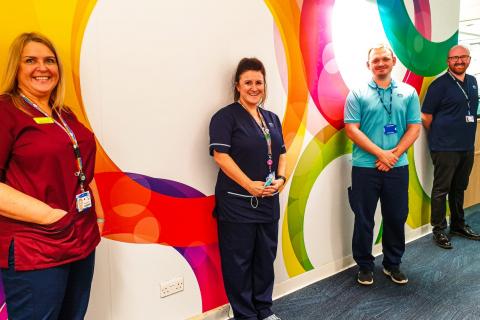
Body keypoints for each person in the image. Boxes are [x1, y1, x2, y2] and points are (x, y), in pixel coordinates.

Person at [0, 32, 100, 319]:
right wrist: (49, 217)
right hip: (37, 245)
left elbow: (81, 168)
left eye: (49, 60)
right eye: (30, 60)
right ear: (16, 68)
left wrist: (98, 217)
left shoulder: (63, 113)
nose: (42, 68)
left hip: (80, 238)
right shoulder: (6, 111)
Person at [209, 57, 286, 320]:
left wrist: (282, 179)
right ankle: (244, 315)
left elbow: (282, 153)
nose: (254, 87)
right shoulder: (225, 117)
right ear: (237, 86)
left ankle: (264, 310)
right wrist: (248, 185)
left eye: (259, 82)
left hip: (268, 202)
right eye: (248, 82)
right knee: (238, 263)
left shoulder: (272, 118)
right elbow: (221, 156)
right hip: (237, 203)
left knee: (265, 259)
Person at [344, 44, 421, 286]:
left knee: (396, 216)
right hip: (365, 168)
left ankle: (392, 264)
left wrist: (394, 155)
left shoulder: (408, 93)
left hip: (397, 168)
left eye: (384, 59)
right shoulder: (357, 93)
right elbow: (351, 129)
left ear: (393, 61)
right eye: (375, 60)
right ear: (369, 65)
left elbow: (414, 127)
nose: (380, 64)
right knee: (364, 218)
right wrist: (382, 154)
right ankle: (365, 266)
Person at [421, 44, 480, 249]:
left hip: (466, 146)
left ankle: (458, 224)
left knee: (459, 187)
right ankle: (439, 229)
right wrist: (441, 135)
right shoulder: (439, 85)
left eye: (463, 57)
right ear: (448, 61)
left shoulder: (473, 82)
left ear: (469, 59)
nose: (459, 61)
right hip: (445, 147)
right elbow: (426, 117)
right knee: (441, 189)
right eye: (455, 58)